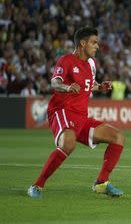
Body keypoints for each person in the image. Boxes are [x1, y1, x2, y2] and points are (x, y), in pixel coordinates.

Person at [27, 27, 125, 198]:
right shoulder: (66, 60)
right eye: (94, 43)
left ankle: (101, 183)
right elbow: (55, 83)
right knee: (69, 143)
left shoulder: (91, 64)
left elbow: (88, 84)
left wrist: (99, 87)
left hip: (81, 116)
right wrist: (66, 87)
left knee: (118, 137)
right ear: (83, 43)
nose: (97, 46)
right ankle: (36, 186)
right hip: (62, 111)